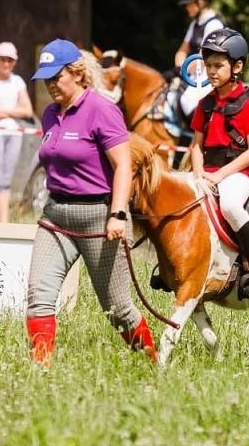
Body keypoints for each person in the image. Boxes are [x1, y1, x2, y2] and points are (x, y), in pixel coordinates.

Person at [24, 39, 155, 365]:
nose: (51, 84)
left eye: (58, 76)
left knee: (118, 310)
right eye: (47, 78)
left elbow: (123, 165)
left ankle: (152, 366)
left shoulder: (101, 109)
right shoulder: (50, 114)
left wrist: (118, 214)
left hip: (98, 217)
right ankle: (39, 373)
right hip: (55, 216)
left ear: (78, 73)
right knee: (38, 297)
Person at [188, 27, 249, 300]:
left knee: (229, 204)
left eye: (218, 66)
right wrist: (199, 174)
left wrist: (220, 175)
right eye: (208, 66)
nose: (211, 71)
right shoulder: (204, 104)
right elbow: (196, 146)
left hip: (238, 173)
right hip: (207, 172)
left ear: (236, 66)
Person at [0, 41, 34, 223]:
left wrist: (2, 111)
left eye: (10, 60)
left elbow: (28, 110)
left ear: (15, 62)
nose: (6, 64)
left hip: (14, 133)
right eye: (3, 60)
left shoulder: (18, 82)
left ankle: (4, 222)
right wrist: (13, 110)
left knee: (6, 179)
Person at [165, 0, 226, 133]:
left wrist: (183, 71)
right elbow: (182, 50)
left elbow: (203, 56)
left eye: (188, 3)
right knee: (170, 97)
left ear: (200, 3)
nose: (186, 7)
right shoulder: (195, 24)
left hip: (210, 73)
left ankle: (204, 140)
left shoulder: (214, 24)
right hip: (194, 72)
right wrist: (179, 68)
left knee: (187, 100)